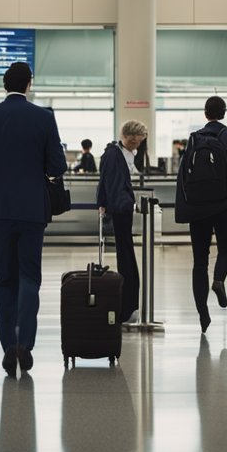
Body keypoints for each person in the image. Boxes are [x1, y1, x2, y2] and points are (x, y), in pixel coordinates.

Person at [0, 62, 66, 377]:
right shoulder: (44, 118)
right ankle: (26, 344)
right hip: (33, 210)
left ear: (4, 85)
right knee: (29, 278)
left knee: (3, 280)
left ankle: (8, 345)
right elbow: (57, 165)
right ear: (29, 84)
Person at [175, 96, 227, 333]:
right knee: (226, 249)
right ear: (223, 113)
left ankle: (203, 313)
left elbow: (183, 174)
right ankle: (219, 280)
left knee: (199, 262)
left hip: (197, 207)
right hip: (224, 203)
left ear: (205, 113)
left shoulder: (194, 138)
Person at [96, 120, 148, 323]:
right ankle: (127, 306)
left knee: (127, 256)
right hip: (120, 211)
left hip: (120, 209)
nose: (138, 145)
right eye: (137, 141)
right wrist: (128, 205)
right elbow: (112, 184)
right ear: (129, 137)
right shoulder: (114, 155)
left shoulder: (118, 153)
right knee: (125, 257)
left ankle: (130, 305)